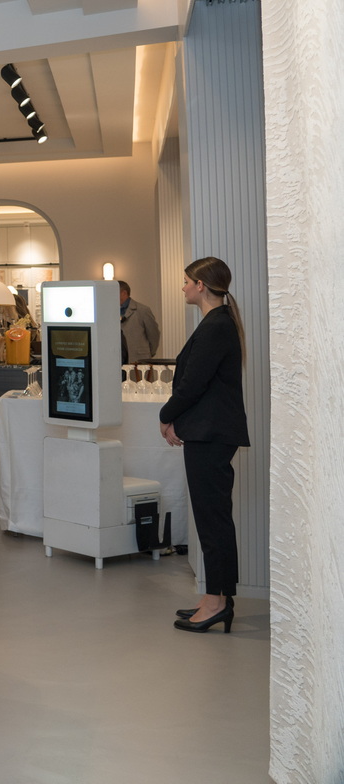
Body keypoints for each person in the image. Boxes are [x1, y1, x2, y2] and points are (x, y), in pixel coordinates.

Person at [160, 257, 249, 633]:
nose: (182, 287)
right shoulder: (219, 322)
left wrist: (166, 415)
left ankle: (216, 603)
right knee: (213, 518)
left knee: (213, 521)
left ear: (200, 285)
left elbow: (192, 383)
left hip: (210, 434)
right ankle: (217, 596)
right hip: (210, 432)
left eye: (186, 281)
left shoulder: (216, 325)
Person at [119, 280, 162, 363]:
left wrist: (148, 353)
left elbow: (154, 335)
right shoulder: (110, 311)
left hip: (139, 360)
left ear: (124, 293)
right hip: (118, 360)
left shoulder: (142, 310)